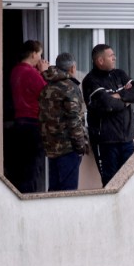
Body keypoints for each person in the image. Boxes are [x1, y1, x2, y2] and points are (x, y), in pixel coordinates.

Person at [81, 44, 134, 187]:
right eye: (111, 56)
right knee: (111, 182)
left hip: (127, 138)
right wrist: (126, 100)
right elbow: (107, 104)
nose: (114, 58)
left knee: (131, 179)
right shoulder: (90, 81)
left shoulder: (119, 74)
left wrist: (118, 96)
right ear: (100, 61)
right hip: (106, 142)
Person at [38, 53, 89, 191]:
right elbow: (74, 119)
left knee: (54, 190)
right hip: (68, 147)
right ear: (73, 68)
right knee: (68, 192)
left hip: (51, 146)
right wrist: (80, 145)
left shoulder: (47, 86)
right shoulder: (70, 87)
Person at [8, 40, 49, 193]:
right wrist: (44, 72)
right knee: (32, 169)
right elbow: (46, 93)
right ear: (33, 54)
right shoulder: (30, 72)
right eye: (40, 54)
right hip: (33, 124)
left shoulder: (16, 71)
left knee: (21, 168)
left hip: (19, 123)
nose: (41, 58)